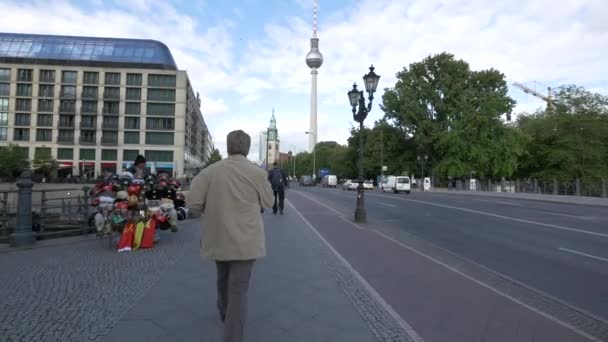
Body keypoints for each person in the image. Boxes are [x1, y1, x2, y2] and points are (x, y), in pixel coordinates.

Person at [187, 130, 273, 342]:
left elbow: (193, 205)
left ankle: (224, 309)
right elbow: (269, 202)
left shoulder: (209, 172)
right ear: (247, 148)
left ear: (227, 147)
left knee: (223, 278)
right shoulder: (258, 173)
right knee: (239, 290)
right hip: (247, 240)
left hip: (219, 236)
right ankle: (232, 335)